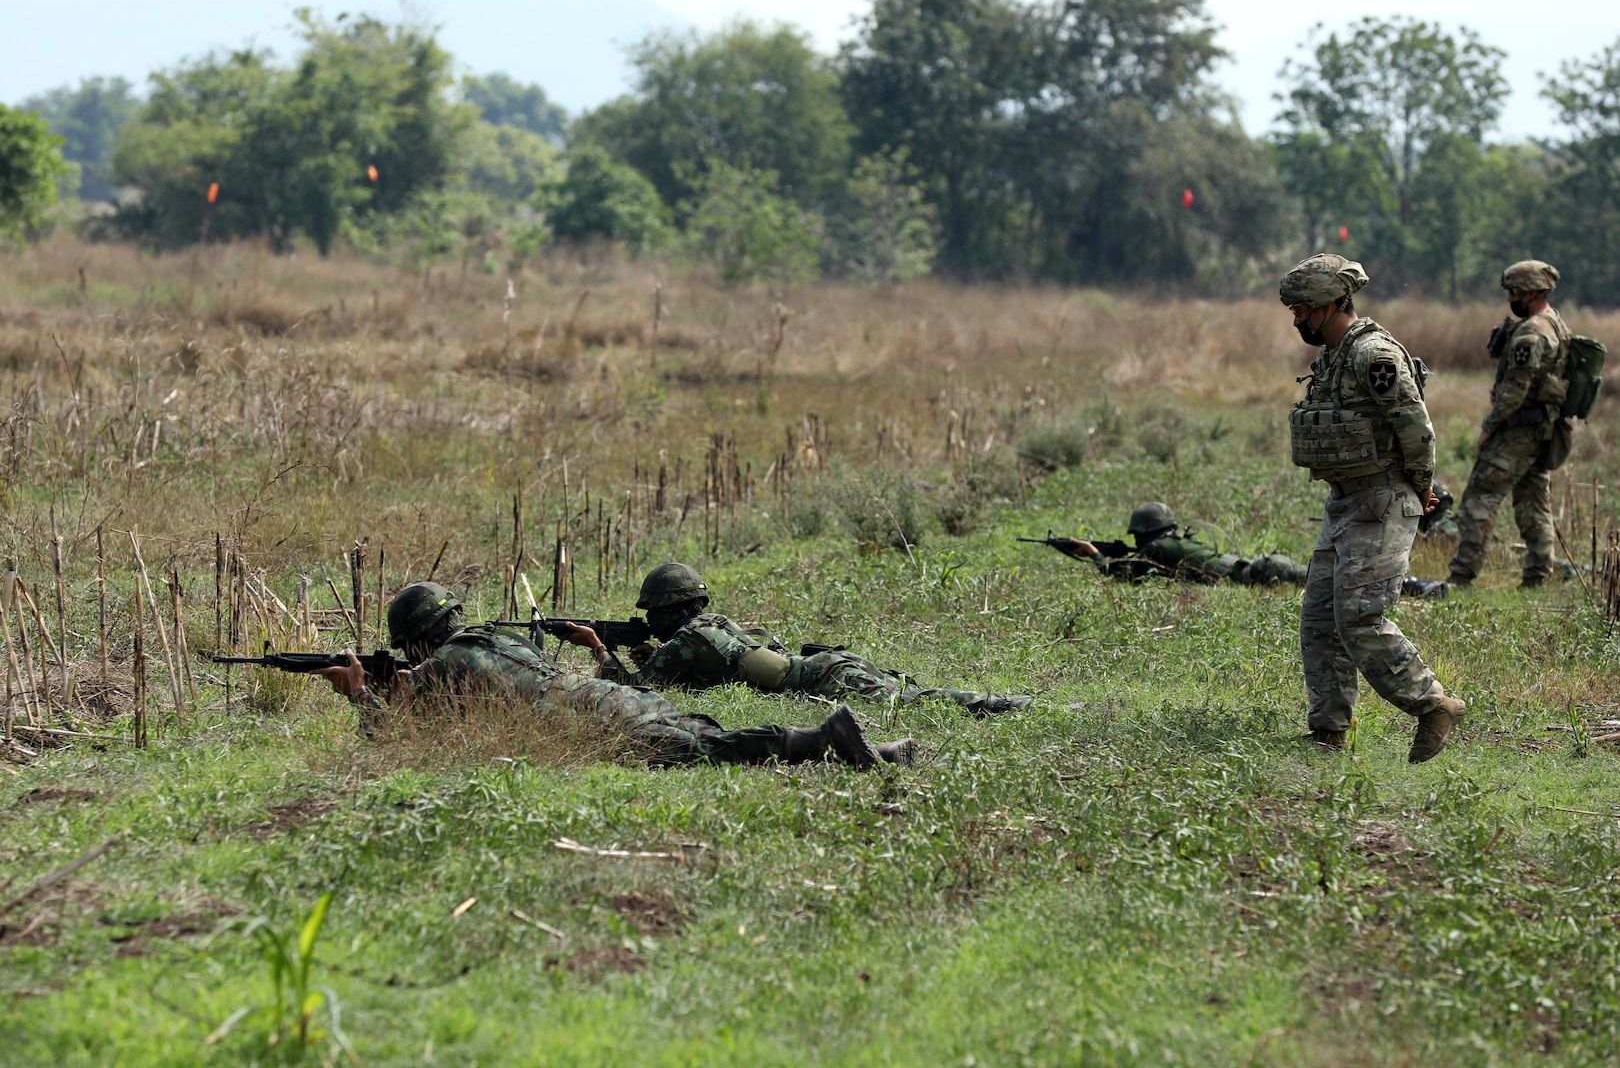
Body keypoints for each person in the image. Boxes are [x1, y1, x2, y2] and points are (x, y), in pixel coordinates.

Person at [316, 582, 915, 768]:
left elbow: (391, 742)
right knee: (700, 734)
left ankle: (826, 736)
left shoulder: (446, 667)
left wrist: (362, 696)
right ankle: (875, 752)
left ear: (415, 640)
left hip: (596, 719)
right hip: (605, 696)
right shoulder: (490, 640)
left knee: (705, 752)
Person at [1281, 253, 1466, 763]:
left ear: (1330, 304)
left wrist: (1422, 488)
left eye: (1302, 310)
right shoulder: (1332, 357)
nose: (1296, 320)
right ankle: (1328, 731)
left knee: (1361, 617)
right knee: (1319, 619)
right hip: (1344, 503)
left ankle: (1433, 705)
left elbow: (1416, 428)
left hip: (1382, 501)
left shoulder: (1374, 355)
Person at [570, 563, 1031, 717]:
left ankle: (1019, 705)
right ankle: (1011, 703)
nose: (649, 620)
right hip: (829, 664)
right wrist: (660, 651)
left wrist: (595, 644)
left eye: (653, 613)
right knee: (916, 698)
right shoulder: (711, 626)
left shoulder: (686, 640)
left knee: (918, 702)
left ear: (668, 610)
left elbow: (634, 688)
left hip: (828, 679)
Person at [1448, 260, 1574, 589]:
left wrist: (1489, 426)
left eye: (1515, 292)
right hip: (1540, 430)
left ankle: (1461, 576)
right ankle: (1536, 577)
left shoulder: (1532, 333)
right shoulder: (1556, 324)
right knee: (1534, 502)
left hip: (1517, 430)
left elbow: (1516, 390)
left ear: (1533, 291)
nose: (1510, 300)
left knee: (1480, 496)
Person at [1057, 502, 1448, 598]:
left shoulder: (1158, 548)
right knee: (1340, 581)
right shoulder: (1169, 542)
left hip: (1261, 573)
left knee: (1347, 582)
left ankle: (1417, 586)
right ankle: (1416, 586)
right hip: (1261, 568)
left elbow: (1123, 572)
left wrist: (1093, 552)